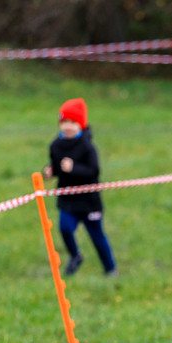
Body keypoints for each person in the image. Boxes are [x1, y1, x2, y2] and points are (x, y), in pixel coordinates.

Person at [43, 97, 117, 276]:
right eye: (64, 122)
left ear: (81, 124)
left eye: (72, 122)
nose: (68, 126)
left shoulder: (87, 146)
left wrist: (74, 168)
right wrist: (51, 171)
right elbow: (57, 166)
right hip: (68, 200)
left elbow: (93, 171)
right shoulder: (56, 145)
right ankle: (75, 256)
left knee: (97, 236)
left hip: (89, 201)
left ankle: (110, 269)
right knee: (65, 228)